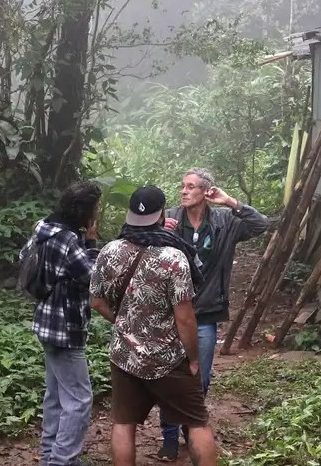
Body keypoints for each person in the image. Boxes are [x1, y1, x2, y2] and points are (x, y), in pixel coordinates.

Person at [90, 185, 217, 466]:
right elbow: (184, 317)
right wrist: (194, 358)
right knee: (197, 423)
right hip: (168, 358)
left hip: (124, 357)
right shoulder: (173, 257)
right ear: (162, 214)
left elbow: (96, 302)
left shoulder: (109, 251)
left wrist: (122, 321)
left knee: (124, 424)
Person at [154, 168, 269, 461]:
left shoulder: (224, 221)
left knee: (198, 379)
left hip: (205, 313)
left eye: (190, 186)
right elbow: (143, 251)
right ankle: (168, 436)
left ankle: (188, 429)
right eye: (182, 186)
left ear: (206, 192)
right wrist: (159, 235)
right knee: (169, 375)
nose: (183, 191)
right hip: (170, 311)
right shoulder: (168, 218)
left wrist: (230, 201)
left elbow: (260, 225)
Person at [23, 181, 103, 466]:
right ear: (83, 210)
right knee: (79, 401)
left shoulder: (43, 228)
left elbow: (25, 259)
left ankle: (49, 458)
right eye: (94, 208)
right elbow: (94, 278)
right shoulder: (67, 239)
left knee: (56, 396)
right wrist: (92, 243)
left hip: (45, 322)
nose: (96, 212)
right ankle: (61, 461)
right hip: (65, 328)